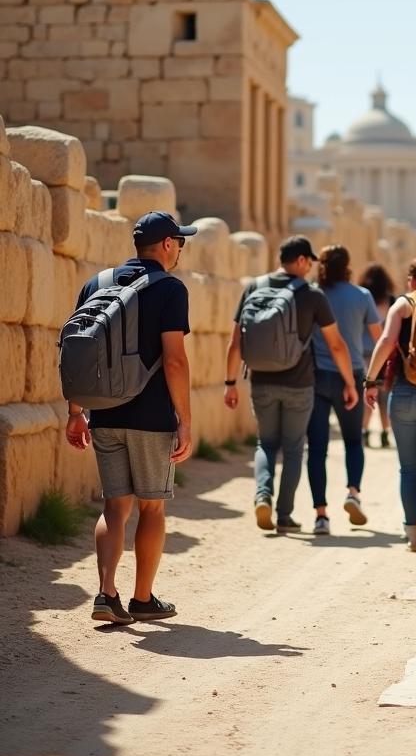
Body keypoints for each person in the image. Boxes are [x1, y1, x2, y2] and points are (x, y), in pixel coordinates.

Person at [65, 211, 196, 625]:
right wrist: (185, 419)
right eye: (180, 242)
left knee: (114, 506)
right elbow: (174, 360)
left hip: (103, 411)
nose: (180, 250)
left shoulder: (96, 283)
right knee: (152, 508)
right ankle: (142, 599)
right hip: (152, 416)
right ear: (168, 245)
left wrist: (75, 411)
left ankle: (105, 593)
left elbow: (76, 350)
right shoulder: (171, 289)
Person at [224, 236, 358, 535]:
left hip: (260, 380)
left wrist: (230, 382)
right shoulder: (311, 296)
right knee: (295, 449)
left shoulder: (253, 287)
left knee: (266, 444)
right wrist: (349, 383)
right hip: (299, 384)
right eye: (309, 262)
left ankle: (262, 495)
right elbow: (336, 345)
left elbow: (235, 343)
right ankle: (284, 515)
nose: (311, 267)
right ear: (299, 261)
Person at [365, 257, 416, 552]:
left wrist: (371, 381)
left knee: (409, 468)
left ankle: (413, 534)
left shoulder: (403, 304)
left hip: (404, 393)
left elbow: (387, 341)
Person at [306, 245, 383, 536]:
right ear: (348, 265)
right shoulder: (361, 296)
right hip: (351, 374)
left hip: (316, 376)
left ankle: (321, 515)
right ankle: (353, 492)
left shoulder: (314, 293)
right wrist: (374, 379)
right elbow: (379, 338)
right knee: (353, 441)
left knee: (316, 448)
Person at [358, 263, 396, 448]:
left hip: (364, 352)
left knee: (368, 393)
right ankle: (384, 432)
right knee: (384, 397)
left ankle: (364, 431)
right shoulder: (391, 301)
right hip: (386, 353)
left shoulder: (363, 299)